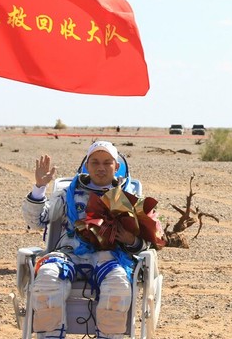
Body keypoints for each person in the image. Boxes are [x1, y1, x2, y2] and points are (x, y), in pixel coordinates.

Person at [22, 141, 156, 339]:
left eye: (107, 163)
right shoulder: (69, 193)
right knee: (47, 278)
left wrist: (130, 239)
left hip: (110, 257)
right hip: (69, 254)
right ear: (87, 165)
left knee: (118, 285)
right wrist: (39, 188)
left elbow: (146, 242)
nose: (101, 168)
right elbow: (37, 221)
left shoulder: (129, 197)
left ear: (116, 167)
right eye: (95, 162)